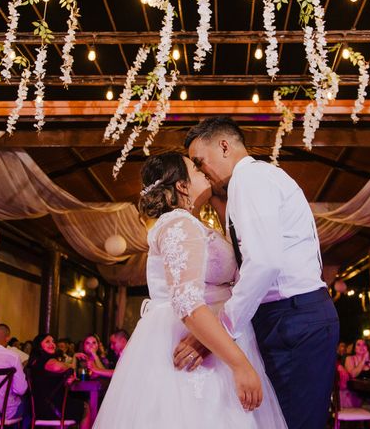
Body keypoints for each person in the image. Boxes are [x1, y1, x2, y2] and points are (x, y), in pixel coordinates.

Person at [92, 152, 287, 428]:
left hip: (210, 334)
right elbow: (187, 304)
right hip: (193, 340)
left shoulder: (185, 222)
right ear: (181, 185)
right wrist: (240, 364)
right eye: (195, 168)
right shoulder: (179, 223)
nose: (203, 170)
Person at [181, 116, 338, 429]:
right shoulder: (254, 180)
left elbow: (264, 263)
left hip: (292, 317)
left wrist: (219, 331)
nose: (201, 172)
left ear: (224, 146)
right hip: (289, 315)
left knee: (293, 422)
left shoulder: (249, 179)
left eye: (200, 162)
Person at [26, 334, 90, 429]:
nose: (52, 344)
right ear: (39, 346)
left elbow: (47, 383)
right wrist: (71, 365)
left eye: (53, 341)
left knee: (74, 403)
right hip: (51, 409)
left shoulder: (33, 362)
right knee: (85, 407)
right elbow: (59, 367)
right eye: (47, 341)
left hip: (36, 409)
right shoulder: (46, 360)